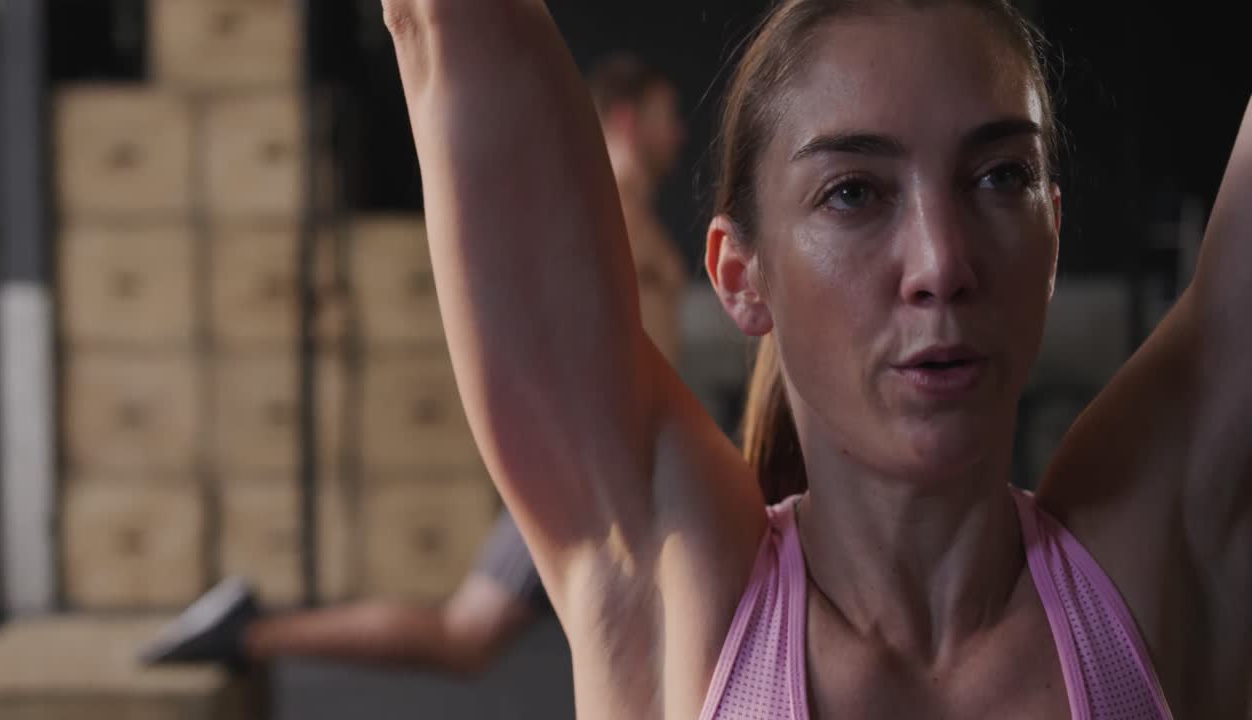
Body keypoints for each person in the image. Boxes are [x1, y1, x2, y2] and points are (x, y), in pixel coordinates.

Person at [377, 0, 1251, 718]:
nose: (942, 263)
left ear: (1053, 237)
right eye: (853, 193)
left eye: (998, 177)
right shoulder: (674, 603)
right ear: (740, 276)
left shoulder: (1164, 562)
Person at [141, 53, 691, 674]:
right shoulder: (598, 211)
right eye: (666, 116)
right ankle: (249, 633)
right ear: (627, 119)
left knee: (609, 639)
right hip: (590, 477)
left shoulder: (636, 221)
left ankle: (251, 631)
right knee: (466, 637)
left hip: (622, 472)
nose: (678, 133)